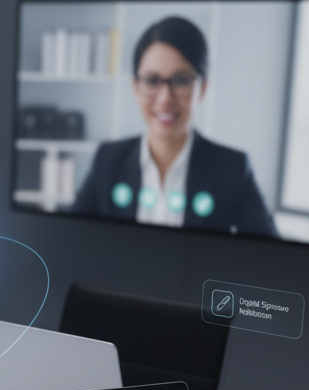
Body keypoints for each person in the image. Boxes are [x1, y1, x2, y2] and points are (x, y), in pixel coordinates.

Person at [70, 16, 277, 238]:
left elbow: (270, 258)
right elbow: (71, 240)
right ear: (135, 87)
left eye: (181, 81)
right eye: (152, 81)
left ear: (203, 87)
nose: (165, 98)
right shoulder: (108, 160)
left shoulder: (232, 169)